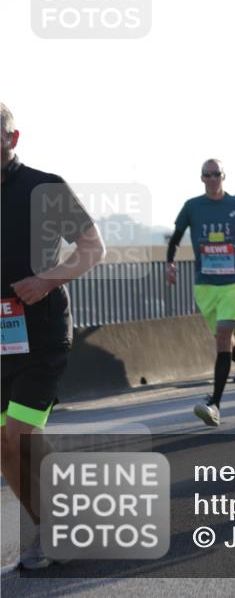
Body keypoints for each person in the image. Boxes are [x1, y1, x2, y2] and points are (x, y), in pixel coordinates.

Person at [1, 102, 106, 569]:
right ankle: (49, 526)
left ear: (12, 139)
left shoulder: (44, 187)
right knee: (5, 445)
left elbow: (93, 247)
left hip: (42, 334)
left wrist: (45, 281)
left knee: (20, 435)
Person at [167, 159, 235, 426]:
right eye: (207, 175)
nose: (212, 179)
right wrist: (170, 264)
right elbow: (176, 236)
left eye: (216, 174)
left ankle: (215, 405)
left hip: (234, 282)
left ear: (223, 176)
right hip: (205, 284)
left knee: (223, 338)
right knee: (225, 340)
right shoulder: (192, 206)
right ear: (202, 178)